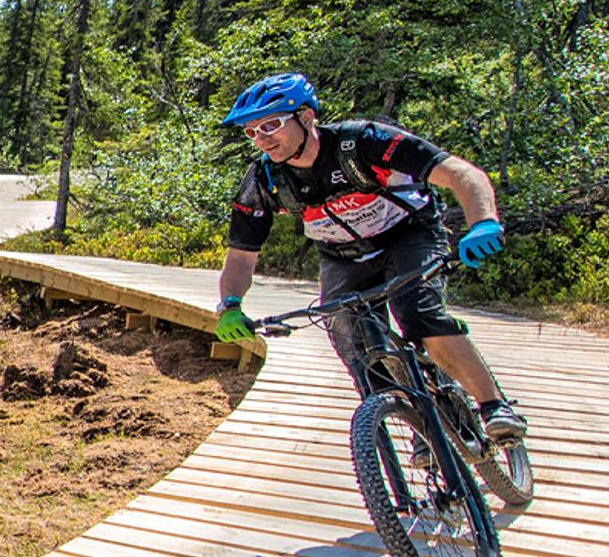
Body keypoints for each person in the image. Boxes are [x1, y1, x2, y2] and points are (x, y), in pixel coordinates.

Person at [211, 71, 526, 443]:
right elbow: (241, 257)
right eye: (252, 132)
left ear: (307, 117)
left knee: (418, 314)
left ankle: (493, 406)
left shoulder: (363, 142)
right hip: (342, 256)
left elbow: (461, 173)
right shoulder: (265, 181)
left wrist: (483, 223)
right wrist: (230, 304)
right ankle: (421, 430)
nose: (262, 139)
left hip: (408, 235)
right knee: (351, 340)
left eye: (271, 124)